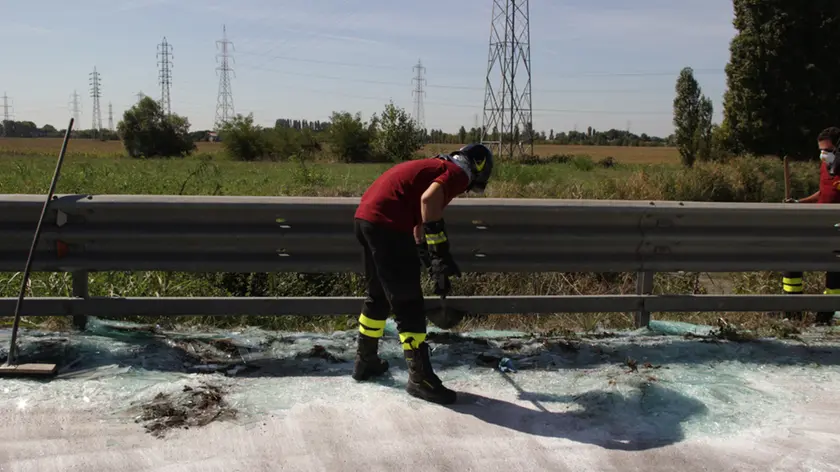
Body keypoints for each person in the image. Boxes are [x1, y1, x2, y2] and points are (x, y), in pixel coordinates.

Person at [351, 143, 494, 404]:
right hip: (387, 225)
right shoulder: (456, 172)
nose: (466, 190)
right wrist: (439, 253)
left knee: (378, 295)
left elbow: (419, 213)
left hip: (366, 220)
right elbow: (429, 200)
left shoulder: (432, 167)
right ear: (477, 169)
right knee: (409, 304)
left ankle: (366, 359)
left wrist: (423, 251)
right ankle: (421, 379)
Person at [782, 126, 840, 325]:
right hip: (819, 223)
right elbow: (823, 193)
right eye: (821, 151)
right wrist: (800, 203)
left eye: (828, 151)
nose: (824, 155)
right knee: (792, 258)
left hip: (836, 229)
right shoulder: (825, 166)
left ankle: (825, 314)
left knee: (834, 269)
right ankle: (792, 311)